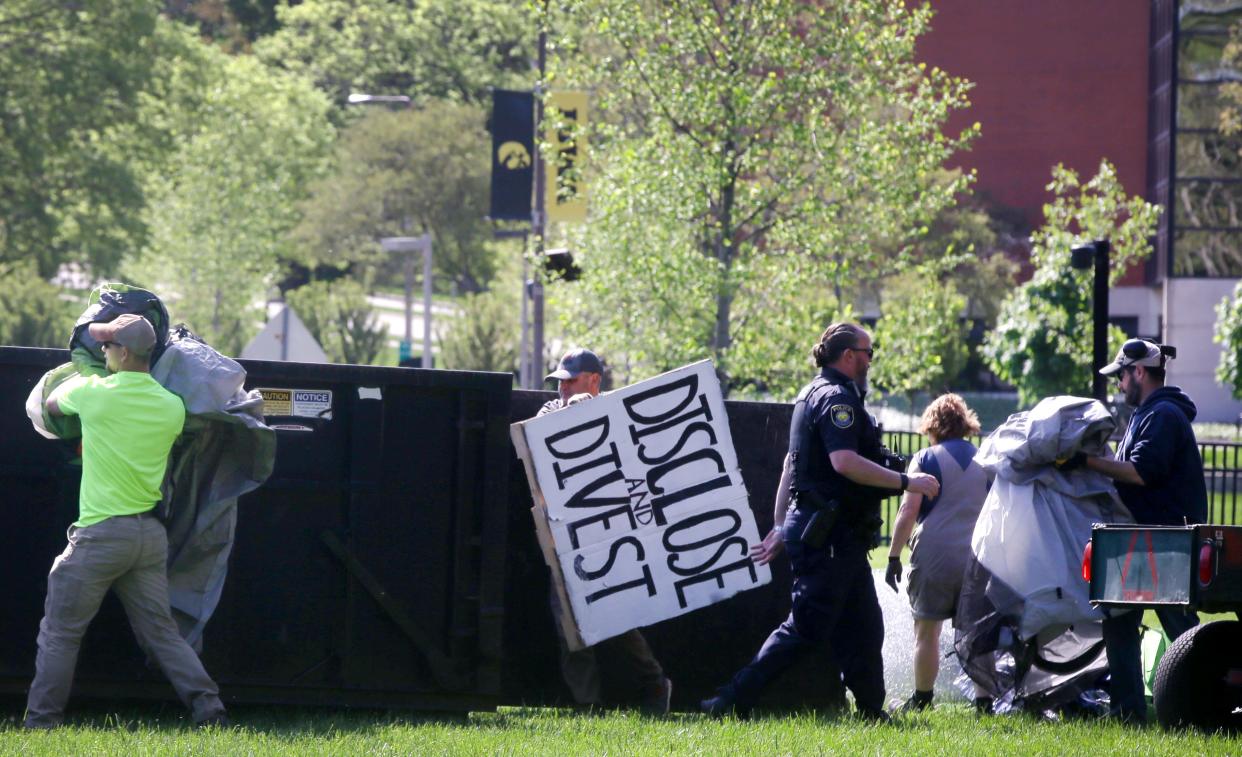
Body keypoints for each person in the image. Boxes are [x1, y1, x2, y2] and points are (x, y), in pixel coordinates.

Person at [700, 323, 939, 720]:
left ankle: (869, 710)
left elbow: (789, 467)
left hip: (837, 537)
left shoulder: (813, 395)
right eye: (868, 353)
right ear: (849, 356)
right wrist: (905, 481)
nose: (869, 360)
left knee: (865, 626)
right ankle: (729, 700)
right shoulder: (834, 399)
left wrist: (780, 526)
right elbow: (842, 463)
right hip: (827, 537)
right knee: (805, 629)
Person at [24, 314, 228, 729]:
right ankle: (210, 708)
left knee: (60, 633)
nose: (101, 351)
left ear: (123, 352)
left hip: (100, 537)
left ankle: (41, 723)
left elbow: (50, 405)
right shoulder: (172, 406)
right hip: (149, 539)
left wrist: (89, 373)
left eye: (106, 346)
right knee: (162, 633)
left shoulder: (94, 392)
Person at [1067, 339, 1207, 725]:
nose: (1118, 385)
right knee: (1118, 623)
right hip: (1139, 537)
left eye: (1122, 376)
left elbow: (1142, 472)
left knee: (1180, 632)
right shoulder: (1148, 414)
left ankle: (1197, 708)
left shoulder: (1162, 415)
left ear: (1139, 372)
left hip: (1167, 541)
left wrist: (1087, 462)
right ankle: (1127, 715)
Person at [536, 348, 673, 714]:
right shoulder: (552, 410)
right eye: (559, 383)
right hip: (565, 538)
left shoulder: (617, 410)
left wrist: (592, 413)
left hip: (609, 535)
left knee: (617, 616)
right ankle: (587, 704)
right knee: (568, 624)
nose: (562, 389)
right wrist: (572, 412)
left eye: (570, 382)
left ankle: (654, 684)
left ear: (593, 381)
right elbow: (538, 433)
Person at [884, 394, 988, 714]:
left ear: (932, 425)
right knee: (977, 632)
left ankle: (923, 699)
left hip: (935, 554)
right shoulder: (985, 459)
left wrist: (893, 556)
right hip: (978, 555)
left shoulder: (926, 459)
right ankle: (985, 702)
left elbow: (908, 510)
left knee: (927, 630)